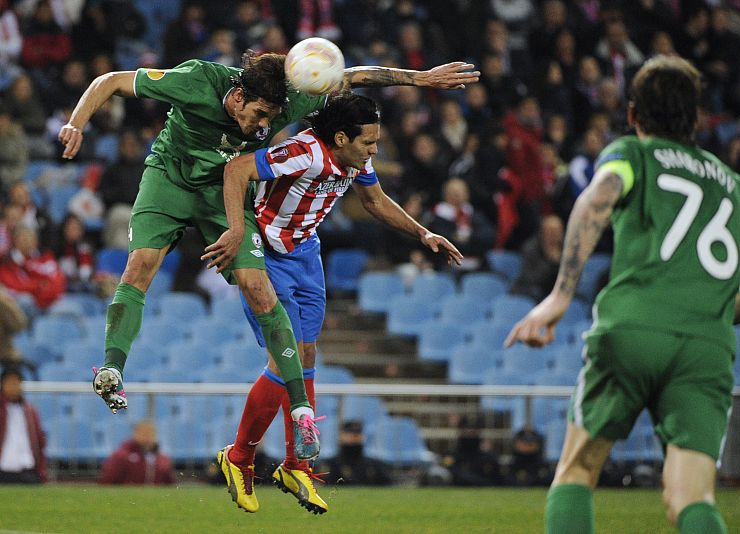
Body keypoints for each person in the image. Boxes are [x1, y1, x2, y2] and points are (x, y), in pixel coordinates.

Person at [57, 48, 478, 464]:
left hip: (221, 192)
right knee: (141, 265)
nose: (263, 127)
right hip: (170, 177)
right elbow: (109, 80)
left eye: (271, 118)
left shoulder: (289, 98)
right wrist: (77, 123)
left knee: (260, 289)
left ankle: (300, 410)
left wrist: (419, 79)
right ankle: (111, 368)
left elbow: (350, 75)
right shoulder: (195, 80)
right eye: (259, 115)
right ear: (237, 97)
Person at [505, 56, 740, 534]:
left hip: (633, 328)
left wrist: (560, 296)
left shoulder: (633, 153)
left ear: (632, 115)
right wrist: (708, 312)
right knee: (691, 497)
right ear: (695, 118)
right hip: (706, 346)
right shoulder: (731, 184)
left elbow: (597, 198)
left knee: (577, 471)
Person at [206, 92, 463, 514]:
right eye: (369, 143)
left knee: (307, 357)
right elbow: (237, 169)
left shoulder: (355, 160)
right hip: (267, 255)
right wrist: (236, 231)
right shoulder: (305, 151)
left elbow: (375, 201)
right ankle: (238, 457)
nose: (375, 151)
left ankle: (295, 465)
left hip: (306, 255)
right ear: (341, 137)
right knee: (283, 357)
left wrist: (423, 233)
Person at [0, 366, 47, 483]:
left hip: (27, 470)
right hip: (3, 469)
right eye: (9, 383)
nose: (13, 387)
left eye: (16, 383)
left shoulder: (30, 411)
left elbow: (39, 441)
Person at [98, 419, 176, 485]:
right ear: (135, 434)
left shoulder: (163, 460)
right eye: (144, 432)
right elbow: (108, 480)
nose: (148, 436)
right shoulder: (121, 456)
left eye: (151, 433)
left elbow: (170, 484)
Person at [327, 420, 391, 486]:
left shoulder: (374, 465)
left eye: (357, 433)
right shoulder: (331, 465)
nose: (354, 436)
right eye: (349, 432)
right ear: (340, 436)